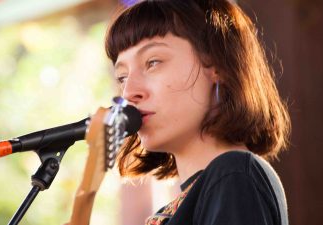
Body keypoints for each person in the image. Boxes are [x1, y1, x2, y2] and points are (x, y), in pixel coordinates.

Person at [105, 0, 291, 224]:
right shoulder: (209, 188)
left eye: (153, 62)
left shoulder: (234, 175)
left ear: (218, 66)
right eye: (122, 78)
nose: (129, 92)